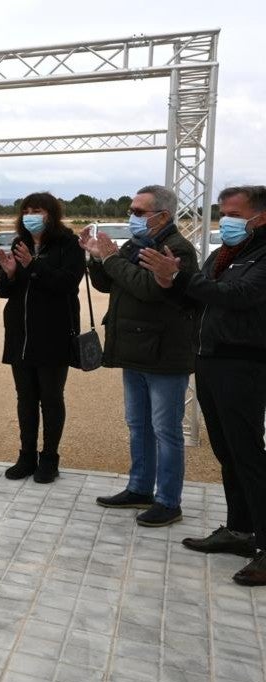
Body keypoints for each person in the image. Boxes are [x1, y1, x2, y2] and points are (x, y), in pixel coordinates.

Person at [139, 185, 266, 586]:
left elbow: (239, 296)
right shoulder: (224, 254)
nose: (224, 219)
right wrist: (170, 283)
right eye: (222, 211)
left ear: (259, 216)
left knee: (248, 453)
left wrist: (179, 277)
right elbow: (199, 298)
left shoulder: (262, 256)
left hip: (244, 363)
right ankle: (240, 530)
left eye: (233, 212)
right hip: (211, 360)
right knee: (227, 450)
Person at [82, 185, 197, 527]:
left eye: (137, 212)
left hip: (164, 355)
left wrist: (113, 258)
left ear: (162, 216)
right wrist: (96, 256)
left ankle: (168, 501)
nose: (130, 217)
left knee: (166, 430)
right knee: (138, 425)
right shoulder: (137, 244)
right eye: (130, 210)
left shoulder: (177, 249)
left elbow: (149, 289)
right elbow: (109, 284)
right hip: (134, 350)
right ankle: (140, 487)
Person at [0, 192, 84, 484]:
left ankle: (50, 458)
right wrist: (8, 275)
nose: (31, 214)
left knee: (51, 398)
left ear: (51, 214)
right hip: (20, 334)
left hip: (53, 333)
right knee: (26, 398)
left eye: (38, 210)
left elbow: (67, 283)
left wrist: (33, 265)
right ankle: (26, 456)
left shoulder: (69, 244)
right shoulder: (19, 242)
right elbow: (3, 290)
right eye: (27, 209)